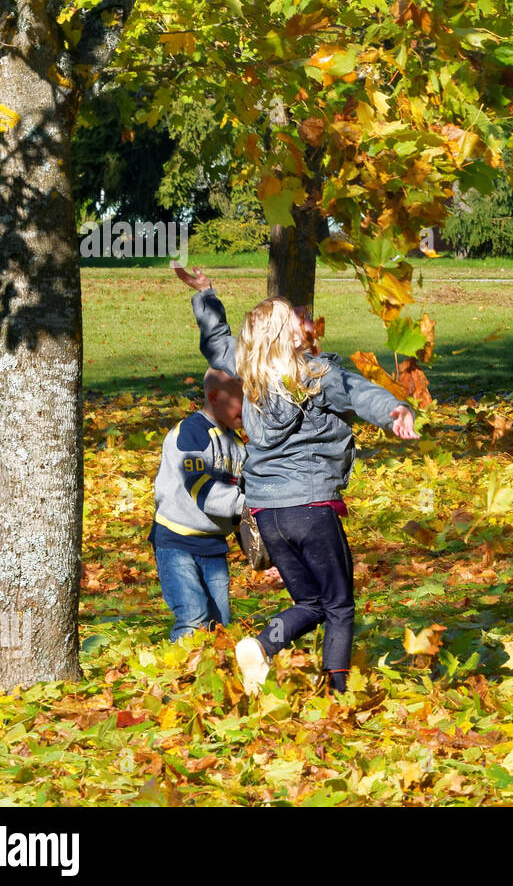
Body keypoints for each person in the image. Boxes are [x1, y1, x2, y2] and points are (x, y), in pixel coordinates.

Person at [174, 265, 419, 695]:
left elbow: (215, 344)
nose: (304, 323)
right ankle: (338, 694)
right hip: (311, 508)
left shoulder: (248, 373)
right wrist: (395, 411)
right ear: (287, 336)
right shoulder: (317, 377)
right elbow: (361, 394)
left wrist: (205, 293)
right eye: (295, 320)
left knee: (311, 603)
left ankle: (263, 644)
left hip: (268, 514)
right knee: (339, 605)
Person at [149, 367, 247, 642]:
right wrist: (247, 505)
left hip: (213, 543)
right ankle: (180, 672)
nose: (249, 406)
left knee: (220, 622)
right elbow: (201, 489)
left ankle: (213, 672)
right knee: (193, 616)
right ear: (214, 397)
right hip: (176, 540)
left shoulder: (238, 445)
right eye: (241, 399)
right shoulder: (191, 434)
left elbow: (242, 498)